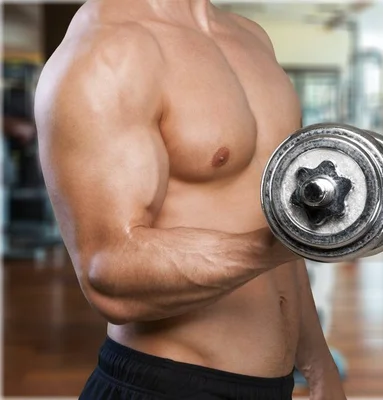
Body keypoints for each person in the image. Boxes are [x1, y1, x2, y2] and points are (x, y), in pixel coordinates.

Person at [34, 0, 347, 399]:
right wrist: (289, 241)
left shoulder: (252, 39)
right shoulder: (109, 49)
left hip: (275, 386)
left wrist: (320, 368)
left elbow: (280, 220)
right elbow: (109, 272)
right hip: (166, 383)